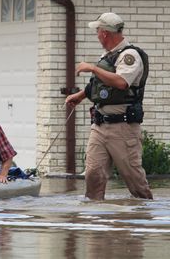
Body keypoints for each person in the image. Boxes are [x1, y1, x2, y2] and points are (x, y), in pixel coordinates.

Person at [65, 12, 153, 200]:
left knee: (135, 182)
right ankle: (97, 220)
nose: (97, 35)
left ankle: (144, 219)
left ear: (105, 33)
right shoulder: (108, 56)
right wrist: (81, 96)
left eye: (97, 31)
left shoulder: (130, 55)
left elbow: (121, 82)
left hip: (123, 128)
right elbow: (100, 85)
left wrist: (93, 68)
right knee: (92, 174)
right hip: (99, 126)